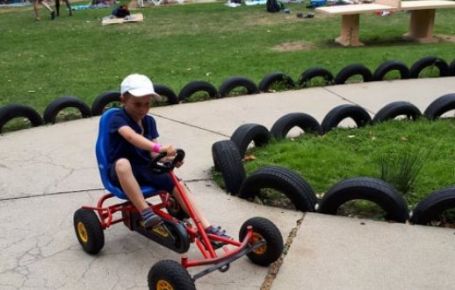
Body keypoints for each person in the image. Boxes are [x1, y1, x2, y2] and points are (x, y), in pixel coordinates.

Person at [108, 73, 228, 237]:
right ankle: (146, 212)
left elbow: (152, 153)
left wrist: (170, 158)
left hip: (145, 168)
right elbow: (131, 137)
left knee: (176, 183)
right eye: (137, 104)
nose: (143, 109)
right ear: (123, 100)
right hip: (121, 173)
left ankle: (206, 228)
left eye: (147, 104)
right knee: (123, 164)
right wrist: (159, 147)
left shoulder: (149, 121)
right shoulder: (117, 118)